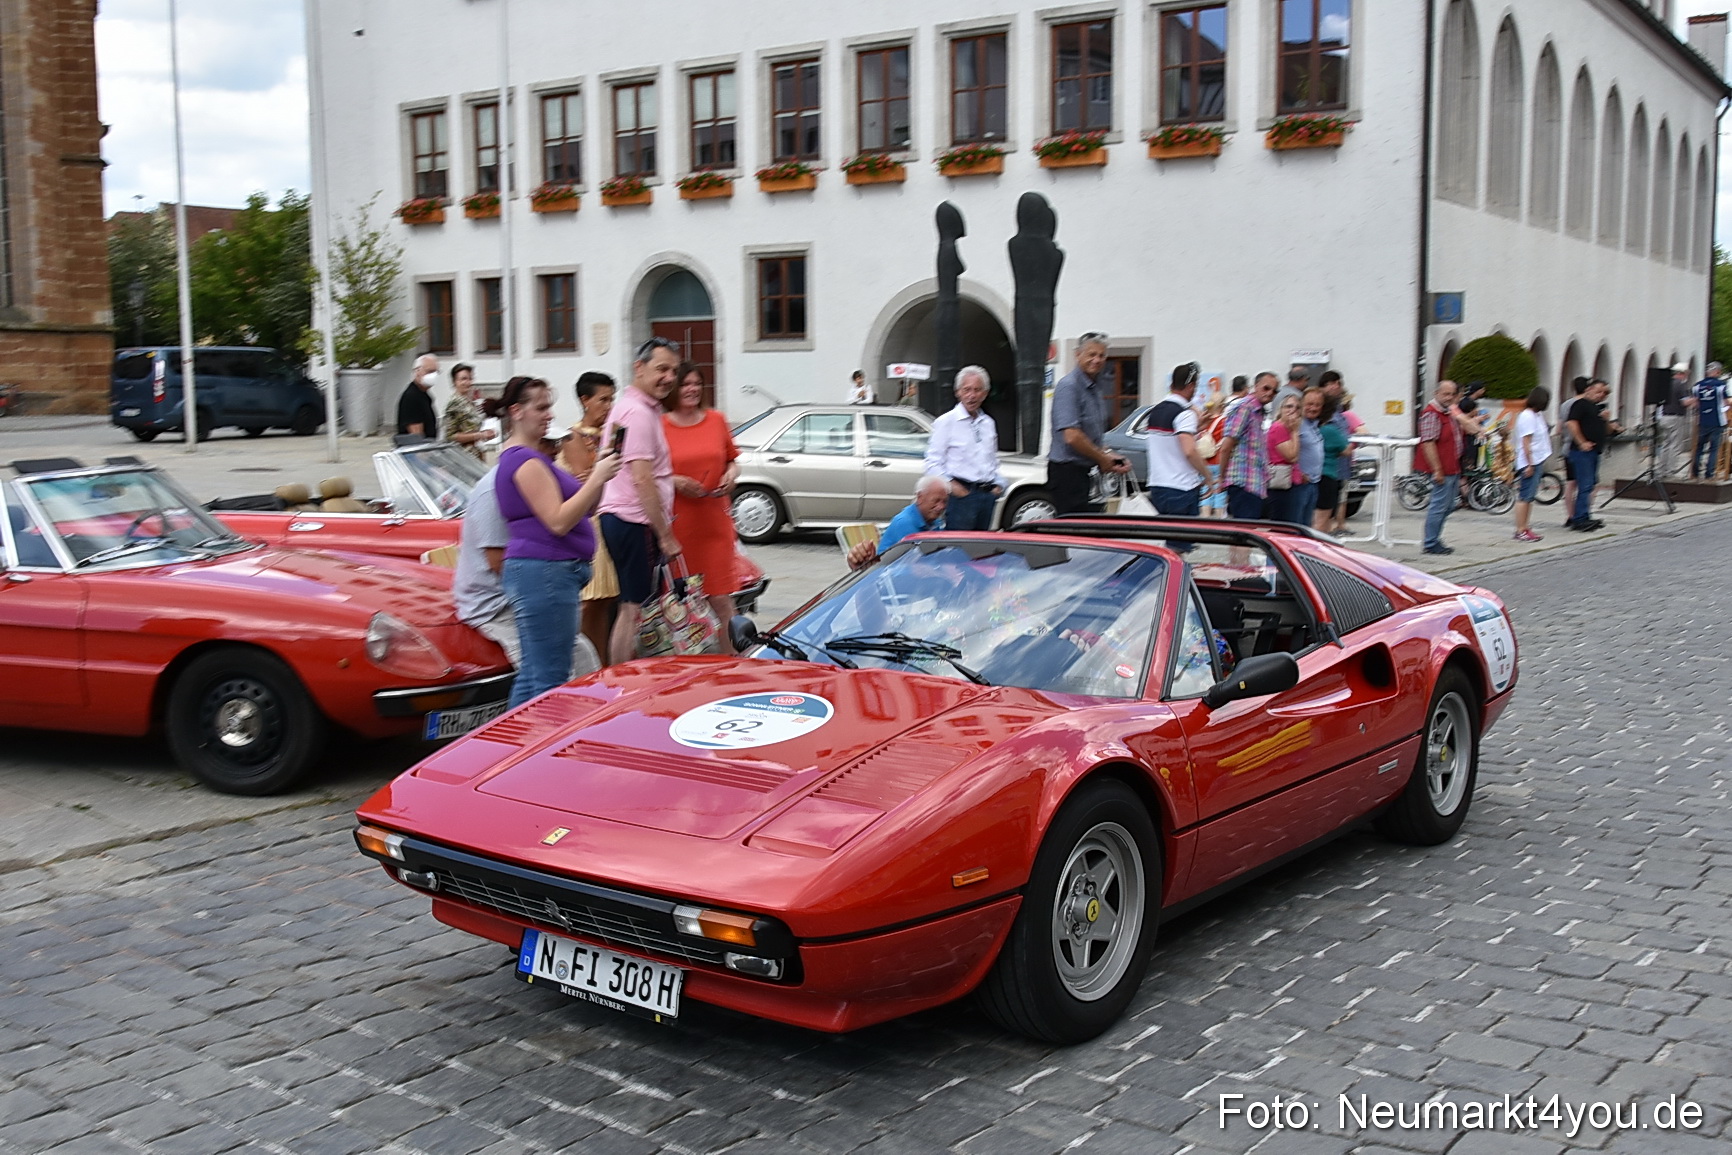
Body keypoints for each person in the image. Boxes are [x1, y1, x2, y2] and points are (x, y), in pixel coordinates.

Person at [487, 376, 619, 707]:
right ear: (517, 411)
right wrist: (598, 477)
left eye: (550, 407)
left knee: (535, 672)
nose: (549, 415)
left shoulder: (533, 458)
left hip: (546, 571)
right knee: (550, 676)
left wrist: (600, 473)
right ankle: (535, 750)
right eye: (541, 407)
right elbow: (559, 520)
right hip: (546, 571)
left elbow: (587, 508)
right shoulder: (523, 460)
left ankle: (515, 748)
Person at [453, 456, 600, 678]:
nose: (555, 452)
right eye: (548, 445)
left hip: (533, 591)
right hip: (497, 604)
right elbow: (497, 562)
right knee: (551, 672)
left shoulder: (535, 481)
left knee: (582, 658)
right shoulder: (493, 491)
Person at [599, 336, 683, 666]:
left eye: (673, 371)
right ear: (639, 367)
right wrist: (665, 534)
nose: (669, 378)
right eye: (661, 369)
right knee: (633, 607)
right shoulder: (637, 413)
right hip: (633, 520)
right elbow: (641, 477)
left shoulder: (632, 408)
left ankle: (628, 673)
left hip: (623, 518)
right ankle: (621, 680)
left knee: (633, 605)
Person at [663, 362, 742, 649]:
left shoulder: (716, 420)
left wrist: (731, 475)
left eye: (697, 383)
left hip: (714, 522)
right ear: (673, 388)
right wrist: (676, 481)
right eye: (685, 384)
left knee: (721, 597)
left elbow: (732, 459)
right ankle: (683, 666)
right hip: (679, 525)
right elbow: (647, 473)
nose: (692, 389)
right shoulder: (661, 425)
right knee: (678, 604)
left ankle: (733, 663)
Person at [560, 372, 621, 663]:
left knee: (609, 602)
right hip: (590, 524)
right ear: (585, 400)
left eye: (612, 399)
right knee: (592, 602)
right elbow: (589, 479)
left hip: (611, 517)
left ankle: (606, 659)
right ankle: (590, 662)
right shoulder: (573, 436)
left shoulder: (610, 433)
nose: (609, 406)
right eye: (603, 399)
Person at [1046, 332, 1130, 514]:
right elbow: (1072, 436)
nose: (1097, 360)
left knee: (1089, 532)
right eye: (1091, 354)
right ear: (1078, 354)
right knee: (1073, 533)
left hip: (1087, 472)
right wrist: (1102, 459)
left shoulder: (1095, 387)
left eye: (1101, 355)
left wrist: (1110, 456)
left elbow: (1093, 436)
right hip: (1068, 474)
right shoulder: (1069, 386)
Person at [923, 365, 1005, 531]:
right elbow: (932, 463)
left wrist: (999, 485)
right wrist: (954, 487)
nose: (971, 395)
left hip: (986, 495)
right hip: (961, 496)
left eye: (977, 390)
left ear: (985, 393)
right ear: (958, 392)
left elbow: (992, 460)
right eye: (966, 390)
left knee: (980, 550)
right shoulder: (946, 422)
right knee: (957, 551)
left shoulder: (988, 423)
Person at [1144, 362, 1210, 527]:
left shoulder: (1155, 411)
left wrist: (1196, 427)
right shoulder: (1185, 414)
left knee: (1162, 539)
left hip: (1158, 485)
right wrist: (1208, 477)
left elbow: (1168, 441)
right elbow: (1189, 451)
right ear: (1191, 386)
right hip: (1182, 487)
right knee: (1179, 544)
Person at [1217, 371, 1278, 519]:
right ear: (1255, 386)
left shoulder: (1258, 412)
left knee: (1245, 533)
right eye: (1266, 388)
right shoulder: (1245, 408)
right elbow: (1227, 445)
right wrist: (1221, 477)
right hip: (1243, 482)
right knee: (1244, 533)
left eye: (1274, 391)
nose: (1270, 393)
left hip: (1253, 483)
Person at [1416, 380, 1465, 555]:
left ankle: (1434, 537)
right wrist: (1437, 469)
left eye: (1452, 394)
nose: (1449, 398)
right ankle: (1430, 542)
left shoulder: (1449, 413)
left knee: (1450, 504)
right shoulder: (1431, 414)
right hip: (1442, 469)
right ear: (1436, 393)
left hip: (1452, 467)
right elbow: (1428, 444)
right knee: (1439, 505)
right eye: (1445, 394)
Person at [1565, 378, 1614, 532]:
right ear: (1589, 389)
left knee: (1590, 485)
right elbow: (1571, 423)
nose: (1601, 395)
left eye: (1604, 393)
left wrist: (1606, 420)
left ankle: (1585, 515)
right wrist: (1581, 442)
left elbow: (1607, 431)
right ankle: (1579, 518)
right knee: (1584, 485)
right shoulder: (1580, 405)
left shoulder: (1595, 408)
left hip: (1594, 451)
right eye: (1598, 391)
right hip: (1582, 452)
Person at [1512, 385, 1552, 543]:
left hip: (1538, 459)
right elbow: (1526, 442)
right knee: (1525, 496)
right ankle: (1520, 529)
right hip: (1530, 461)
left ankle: (1525, 526)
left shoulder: (1537, 415)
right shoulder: (1527, 416)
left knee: (1530, 497)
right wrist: (1529, 464)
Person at [1264, 393, 1304, 524]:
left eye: (1297, 407)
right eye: (1289, 406)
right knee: (1284, 524)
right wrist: (1295, 432)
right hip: (1281, 484)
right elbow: (1292, 457)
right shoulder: (1279, 428)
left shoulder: (1287, 428)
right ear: (1281, 409)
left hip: (1292, 481)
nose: (1293, 410)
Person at [1314, 392, 1349, 533]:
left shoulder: (1311, 428)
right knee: (1323, 519)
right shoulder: (1330, 430)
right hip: (1328, 474)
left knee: (1313, 517)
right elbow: (1346, 450)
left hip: (1313, 476)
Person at [442, 363, 490, 458]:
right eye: (463, 379)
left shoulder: (468, 402)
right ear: (455, 382)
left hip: (475, 454)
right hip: (463, 457)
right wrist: (479, 435)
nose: (468, 382)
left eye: (470, 378)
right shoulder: (455, 403)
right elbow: (450, 436)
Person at [1692, 362, 1726, 479]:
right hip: (1717, 421)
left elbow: (1696, 403)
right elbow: (1727, 401)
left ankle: (1695, 472)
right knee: (1714, 449)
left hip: (1702, 420)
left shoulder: (1697, 386)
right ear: (1718, 372)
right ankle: (1709, 473)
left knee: (1699, 448)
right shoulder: (1721, 386)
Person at [1659, 362, 1694, 476]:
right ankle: (1671, 470)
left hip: (1664, 416)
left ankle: (1662, 469)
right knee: (1675, 444)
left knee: (1665, 443)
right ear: (1681, 373)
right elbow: (1684, 402)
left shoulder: (1665, 384)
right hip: (1676, 417)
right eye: (1686, 374)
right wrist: (1695, 399)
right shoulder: (1680, 385)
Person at [396, 354, 440, 438]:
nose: (434, 375)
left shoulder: (424, 395)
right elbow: (416, 436)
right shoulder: (412, 397)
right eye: (430, 371)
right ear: (417, 372)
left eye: (436, 372)